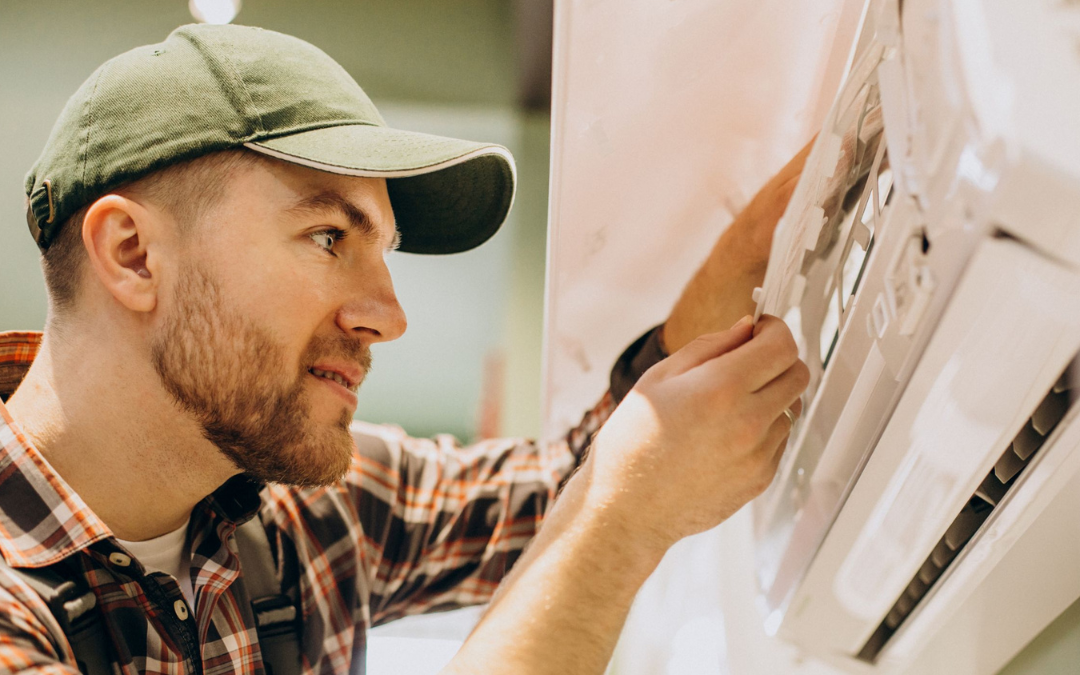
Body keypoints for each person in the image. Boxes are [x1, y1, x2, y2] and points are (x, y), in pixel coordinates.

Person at [0, 23, 809, 675]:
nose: (389, 315)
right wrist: (624, 523)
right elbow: (605, 503)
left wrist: (741, 263)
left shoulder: (303, 508)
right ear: (134, 254)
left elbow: (569, 485)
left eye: (383, 249)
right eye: (327, 236)